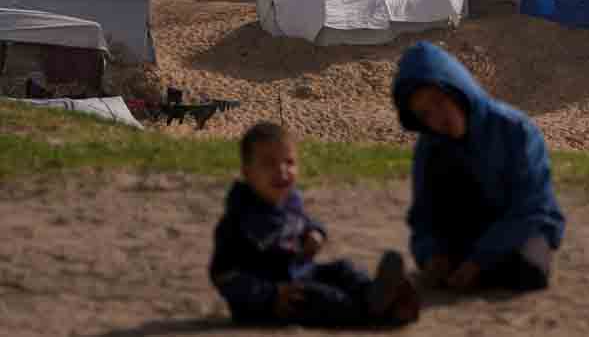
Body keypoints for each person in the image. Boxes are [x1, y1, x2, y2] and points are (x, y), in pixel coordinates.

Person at [393, 42, 565, 293]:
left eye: (439, 102)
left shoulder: (515, 129)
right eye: (425, 114)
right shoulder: (430, 147)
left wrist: (479, 262)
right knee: (439, 267)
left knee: (531, 269)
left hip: (521, 230)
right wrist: (431, 255)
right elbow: (423, 214)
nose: (438, 118)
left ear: (457, 90)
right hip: (468, 234)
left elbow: (531, 206)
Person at [209, 122, 420, 327]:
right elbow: (223, 275)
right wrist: (270, 295)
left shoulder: (288, 203)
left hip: (301, 272)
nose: (282, 170)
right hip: (272, 300)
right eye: (268, 163)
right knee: (320, 297)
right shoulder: (238, 220)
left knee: (342, 269)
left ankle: (375, 293)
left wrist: (315, 233)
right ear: (247, 173)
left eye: (289, 162)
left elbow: (306, 223)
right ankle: (377, 312)